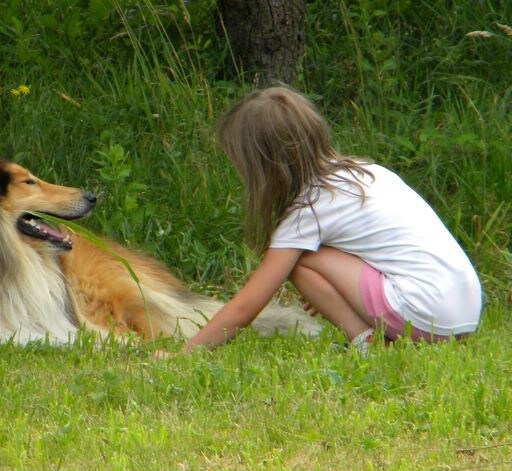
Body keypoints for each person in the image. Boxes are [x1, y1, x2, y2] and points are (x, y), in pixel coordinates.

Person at [156, 86, 481, 358]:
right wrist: (335, 293)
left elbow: (246, 306)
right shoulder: (368, 173)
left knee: (299, 259)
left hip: (424, 316)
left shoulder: (308, 213)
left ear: (264, 167)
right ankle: (383, 333)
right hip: (463, 314)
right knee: (308, 255)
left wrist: (184, 356)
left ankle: (370, 344)